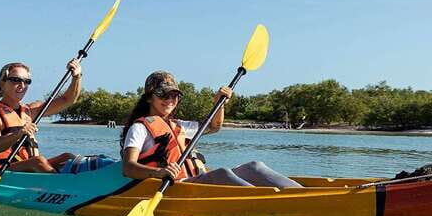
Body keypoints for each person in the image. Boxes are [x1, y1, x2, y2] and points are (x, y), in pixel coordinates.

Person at [120, 71, 301, 187]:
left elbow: (214, 126)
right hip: (176, 185)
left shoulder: (180, 125)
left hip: (195, 180)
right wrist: (159, 172)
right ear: (149, 98)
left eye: (174, 95)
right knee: (221, 173)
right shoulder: (139, 128)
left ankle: (299, 194)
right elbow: (128, 168)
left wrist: (219, 104)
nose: (170, 99)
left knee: (255, 166)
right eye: (163, 94)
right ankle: (265, 201)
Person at [0, 60, 83, 173]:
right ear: (2, 83)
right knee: (38, 162)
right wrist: (19, 133)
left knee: (68, 157)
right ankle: (61, 188)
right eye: (15, 80)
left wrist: (76, 77)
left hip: (25, 168)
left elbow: (67, 100)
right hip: (0, 170)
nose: (22, 85)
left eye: (26, 81)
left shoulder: (30, 110)